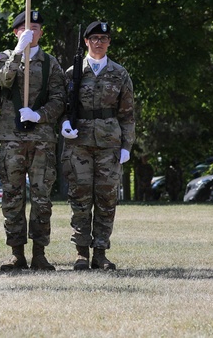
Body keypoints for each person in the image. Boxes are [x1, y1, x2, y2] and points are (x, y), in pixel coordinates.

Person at [0, 9, 67, 271]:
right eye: (25, 28)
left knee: (42, 196)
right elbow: (2, 81)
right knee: (12, 196)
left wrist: (39, 115)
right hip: (11, 138)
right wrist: (16, 53)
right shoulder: (2, 58)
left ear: (41, 33)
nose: (30, 32)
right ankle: (16, 253)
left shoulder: (50, 63)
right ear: (16, 32)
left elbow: (59, 99)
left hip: (41, 138)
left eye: (35, 28)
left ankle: (39, 252)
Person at [61, 20, 135, 271]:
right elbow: (61, 106)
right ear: (86, 42)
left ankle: (100, 252)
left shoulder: (119, 73)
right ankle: (81, 252)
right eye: (94, 38)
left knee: (106, 198)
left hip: (109, 143)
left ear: (109, 42)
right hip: (79, 143)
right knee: (80, 197)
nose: (99, 43)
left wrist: (127, 145)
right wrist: (64, 126)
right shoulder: (72, 73)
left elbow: (127, 114)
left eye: (104, 39)